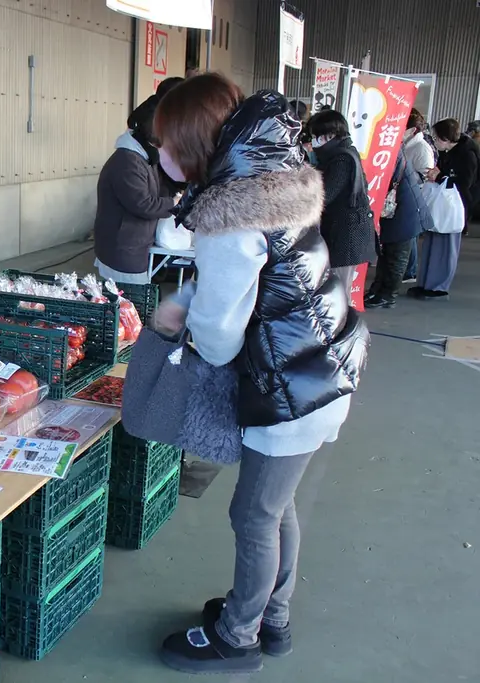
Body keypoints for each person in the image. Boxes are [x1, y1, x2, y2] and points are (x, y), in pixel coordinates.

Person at [151, 73, 369, 675]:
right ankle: (270, 614)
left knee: (253, 515)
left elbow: (220, 339)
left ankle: (239, 635)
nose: (160, 153)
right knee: (276, 507)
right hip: (321, 367)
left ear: (194, 145)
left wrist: (184, 313)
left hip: (291, 386)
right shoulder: (272, 181)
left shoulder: (229, 216)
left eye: (166, 143)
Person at [93, 94, 178, 284]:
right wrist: (175, 203)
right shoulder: (128, 161)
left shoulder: (144, 157)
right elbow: (143, 204)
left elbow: (158, 189)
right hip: (123, 250)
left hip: (132, 246)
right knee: (129, 308)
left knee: (130, 306)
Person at [306, 110, 376, 295]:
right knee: (339, 286)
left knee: (339, 289)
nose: (314, 142)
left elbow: (325, 195)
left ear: (330, 135)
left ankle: (342, 323)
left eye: (316, 136)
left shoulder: (341, 159)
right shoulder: (345, 152)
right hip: (346, 230)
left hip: (346, 234)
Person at [410, 118, 479, 297]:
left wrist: (441, 176)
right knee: (432, 242)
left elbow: (466, 182)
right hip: (443, 204)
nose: (434, 141)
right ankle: (427, 283)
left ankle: (438, 286)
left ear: (446, 139)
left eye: (436, 137)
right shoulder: (451, 151)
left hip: (456, 205)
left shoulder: (467, 153)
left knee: (446, 245)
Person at [365, 149, 433, 308]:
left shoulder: (391, 151)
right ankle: (377, 290)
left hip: (405, 212)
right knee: (386, 255)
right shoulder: (390, 149)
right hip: (396, 210)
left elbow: (387, 178)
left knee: (396, 258)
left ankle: (388, 296)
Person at [401, 109, 436, 282]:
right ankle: (407, 269)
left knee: (410, 235)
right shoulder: (408, 144)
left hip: (415, 194)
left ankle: (410, 270)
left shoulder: (421, 147)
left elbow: (427, 174)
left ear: (413, 130)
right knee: (407, 234)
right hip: (406, 192)